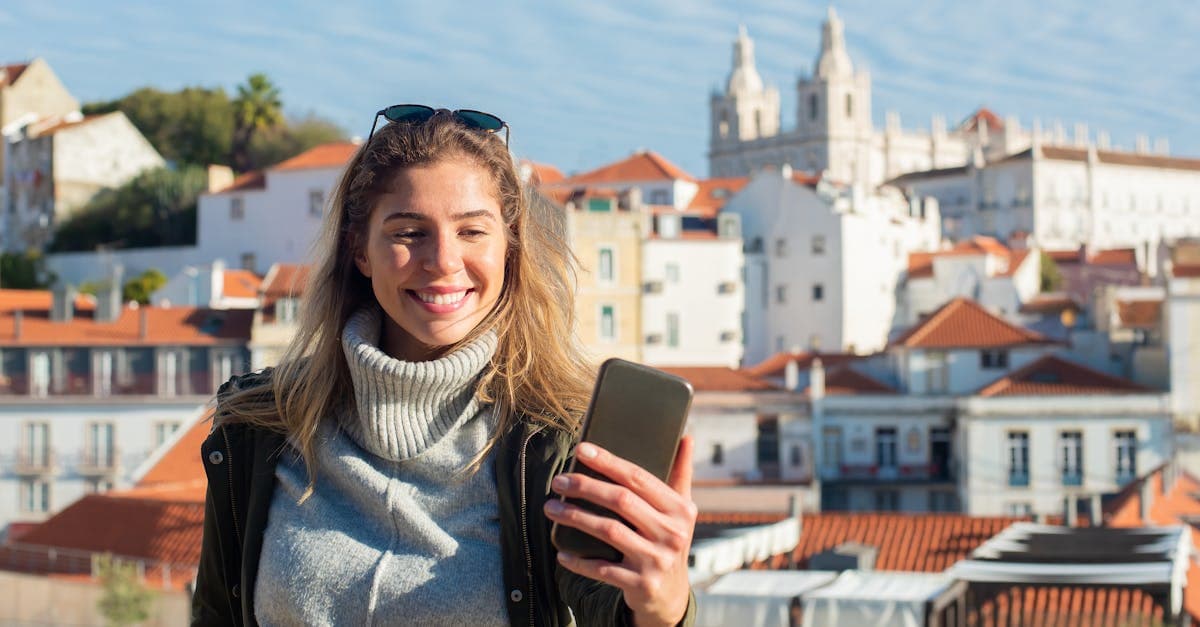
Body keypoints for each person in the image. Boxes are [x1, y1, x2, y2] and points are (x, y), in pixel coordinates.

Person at [191, 105, 698, 626]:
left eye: (472, 232)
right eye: (409, 233)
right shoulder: (259, 425)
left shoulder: (558, 437)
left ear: (509, 248)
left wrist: (663, 605)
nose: (443, 261)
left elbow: (611, 608)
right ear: (360, 251)